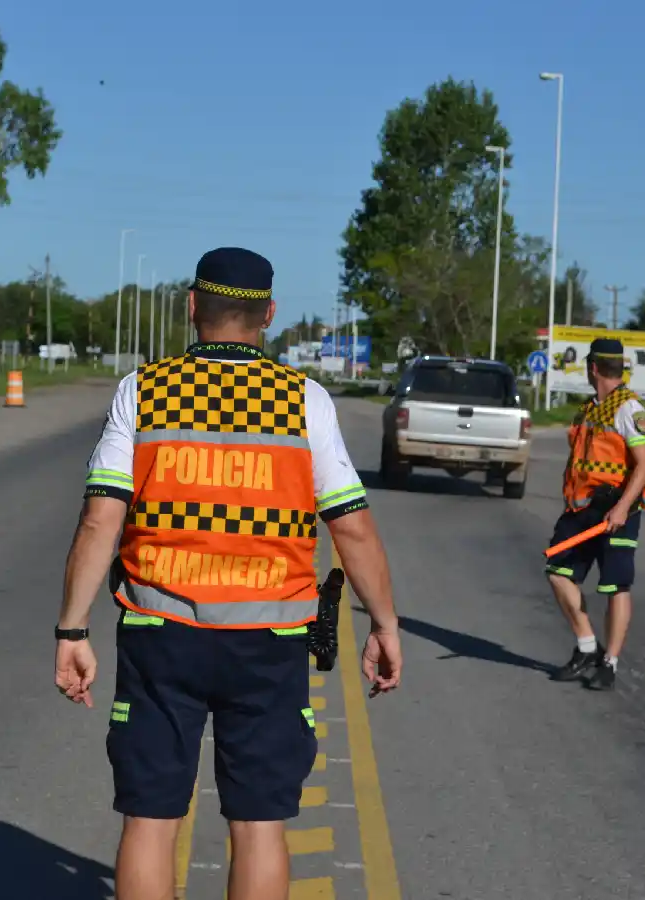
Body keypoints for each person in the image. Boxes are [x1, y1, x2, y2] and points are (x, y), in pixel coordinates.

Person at [54, 247, 403, 900]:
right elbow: (350, 525)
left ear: (192, 308)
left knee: (151, 819)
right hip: (268, 645)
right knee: (260, 824)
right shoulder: (305, 401)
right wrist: (383, 623)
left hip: (161, 635)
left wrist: (72, 629)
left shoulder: (142, 392)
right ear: (268, 316)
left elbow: (102, 520)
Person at [545, 337, 645, 691]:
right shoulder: (589, 407)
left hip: (616, 511)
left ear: (593, 368)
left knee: (615, 585)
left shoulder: (630, 409)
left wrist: (622, 508)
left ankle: (609, 663)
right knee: (558, 572)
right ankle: (587, 647)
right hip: (581, 510)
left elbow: (644, 464)